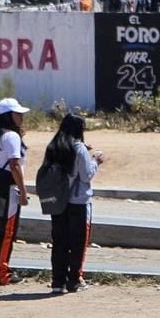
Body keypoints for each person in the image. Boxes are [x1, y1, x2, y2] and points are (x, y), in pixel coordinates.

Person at [39, 113, 103, 294]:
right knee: (77, 243)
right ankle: (74, 280)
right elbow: (86, 175)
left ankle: (57, 281)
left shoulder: (53, 147)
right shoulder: (79, 148)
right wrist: (95, 161)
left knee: (59, 242)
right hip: (78, 202)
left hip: (58, 202)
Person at [0, 97, 30, 286]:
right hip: (7, 189)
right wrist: (23, 192)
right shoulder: (11, 136)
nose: (21, 117)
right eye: (18, 114)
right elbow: (14, 165)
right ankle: (2, 274)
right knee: (6, 232)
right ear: (9, 116)